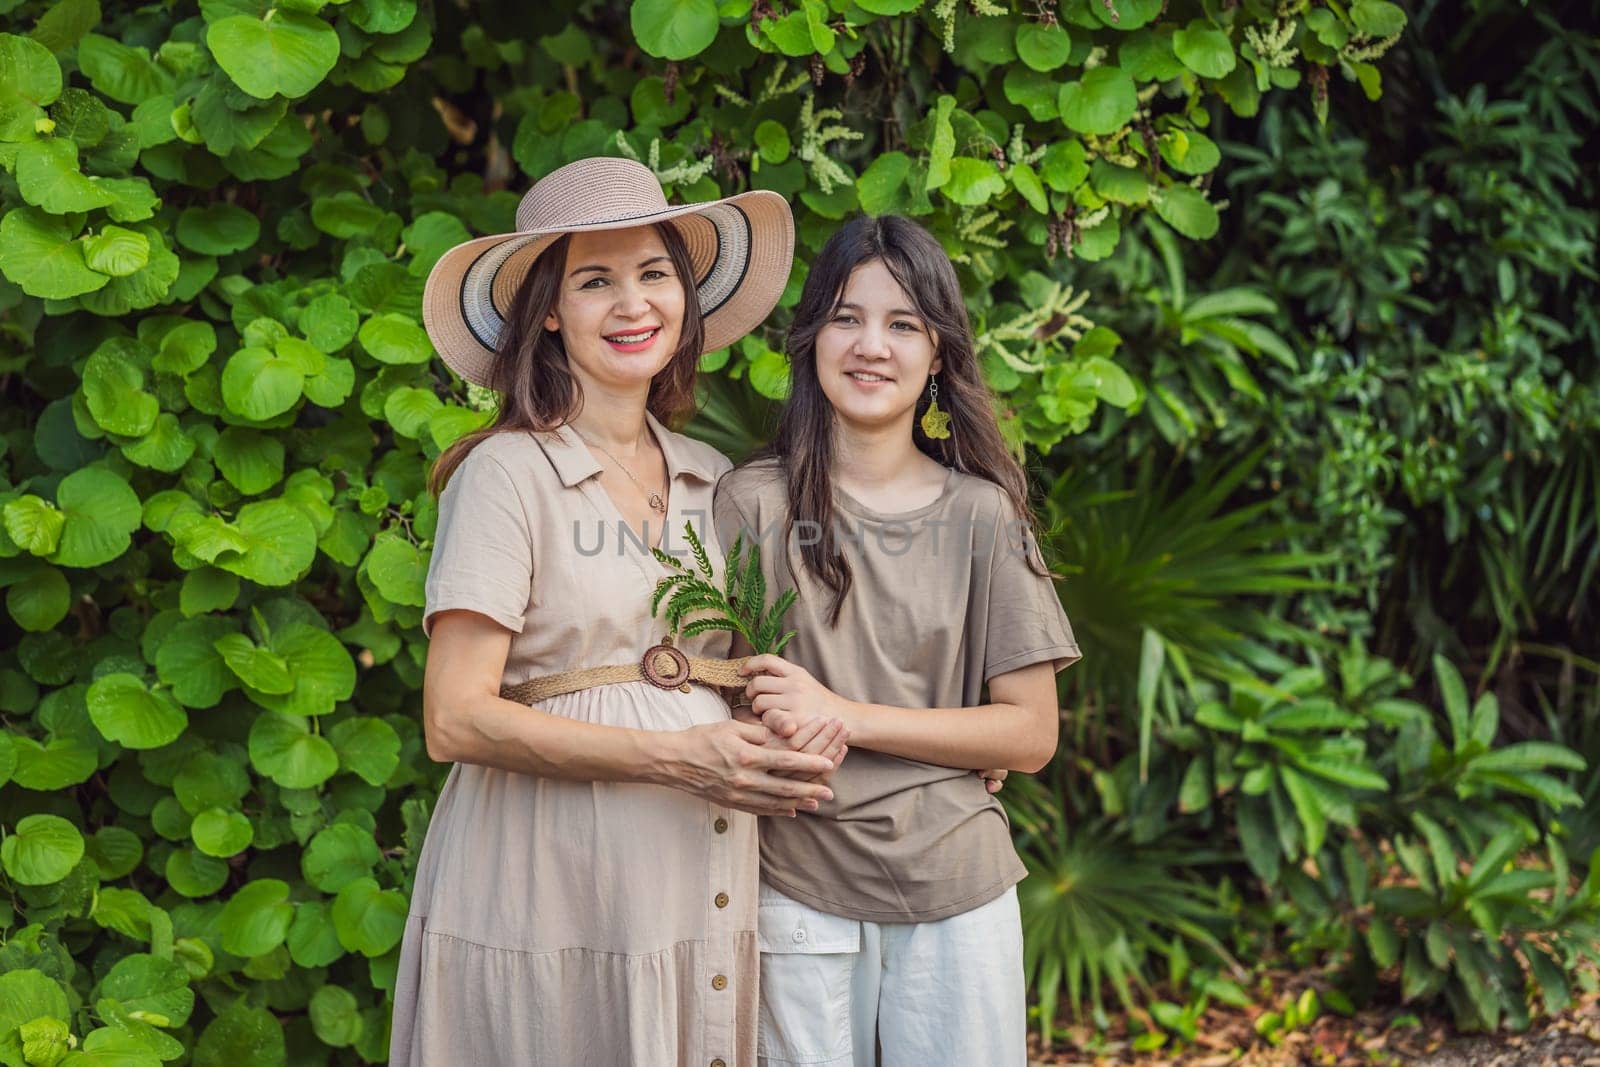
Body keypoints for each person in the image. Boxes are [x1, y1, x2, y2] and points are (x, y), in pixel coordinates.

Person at [390, 156, 846, 1067]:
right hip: (547, 877)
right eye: (595, 281)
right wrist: (678, 756)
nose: (633, 305)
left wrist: (890, 743)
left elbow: (753, 667)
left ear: (684, 294)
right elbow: (453, 715)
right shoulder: (505, 474)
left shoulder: (713, 476)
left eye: (654, 274)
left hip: (695, 878)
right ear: (549, 311)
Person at [713, 214, 1081, 1066]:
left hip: (958, 881)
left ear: (939, 354)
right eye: (845, 317)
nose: (870, 345)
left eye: (903, 323)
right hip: (797, 885)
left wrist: (844, 713)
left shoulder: (982, 513)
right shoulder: (752, 503)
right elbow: (708, 698)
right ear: (809, 340)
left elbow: (1029, 733)